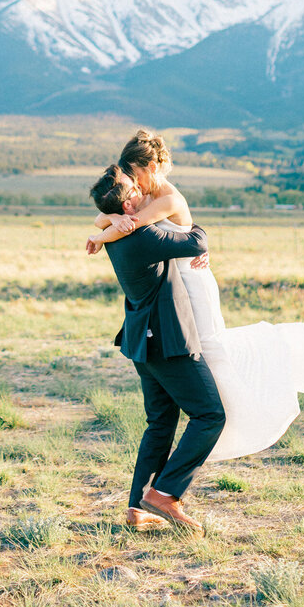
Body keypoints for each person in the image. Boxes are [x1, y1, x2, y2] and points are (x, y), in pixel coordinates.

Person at [88, 130, 304, 466]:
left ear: (152, 166)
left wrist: (101, 234)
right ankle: (209, 415)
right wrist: (110, 218)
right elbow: (109, 216)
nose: (134, 185)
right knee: (200, 353)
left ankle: (234, 414)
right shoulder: (147, 197)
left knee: (210, 348)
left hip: (190, 283)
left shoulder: (167, 200)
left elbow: (132, 225)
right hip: (173, 284)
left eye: (135, 175)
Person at [89, 164, 225, 536]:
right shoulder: (142, 236)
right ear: (128, 203)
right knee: (210, 415)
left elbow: (104, 220)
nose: (141, 195)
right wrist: (178, 209)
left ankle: (137, 507)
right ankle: (164, 494)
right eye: (134, 192)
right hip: (167, 340)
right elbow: (197, 240)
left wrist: (104, 225)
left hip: (141, 341)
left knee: (161, 423)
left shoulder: (114, 235)